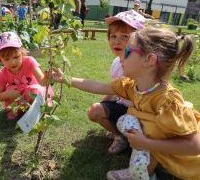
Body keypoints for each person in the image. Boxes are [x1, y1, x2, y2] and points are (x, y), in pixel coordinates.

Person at [53, 27, 200, 180]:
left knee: (146, 125)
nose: (122, 54)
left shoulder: (167, 101)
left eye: (128, 51)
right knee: (130, 119)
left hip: (190, 163)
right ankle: (145, 165)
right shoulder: (132, 86)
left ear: (149, 60)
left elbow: (194, 145)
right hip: (159, 146)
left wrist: (146, 143)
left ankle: (143, 172)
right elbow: (98, 86)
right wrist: (65, 78)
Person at [88, 10, 145, 154]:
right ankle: (119, 135)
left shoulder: (141, 65)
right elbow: (114, 89)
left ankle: (125, 137)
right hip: (121, 106)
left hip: (137, 112)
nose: (117, 41)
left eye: (125, 36)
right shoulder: (116, 63)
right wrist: (102, 104)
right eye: (113, 36)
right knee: (94, 111)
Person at [0, 32, 53, 120]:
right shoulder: (3, 74)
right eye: (7, 59)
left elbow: (42, 82)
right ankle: (20, 110)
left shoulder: (29, 62)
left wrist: (46, 78)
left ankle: (35, 109)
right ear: (0, 59)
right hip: (18, 97)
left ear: (22, 53)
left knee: (34, 90)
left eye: (16, 57)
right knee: (9, 89)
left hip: (33, 95)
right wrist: (7, 94)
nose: (12, 62)